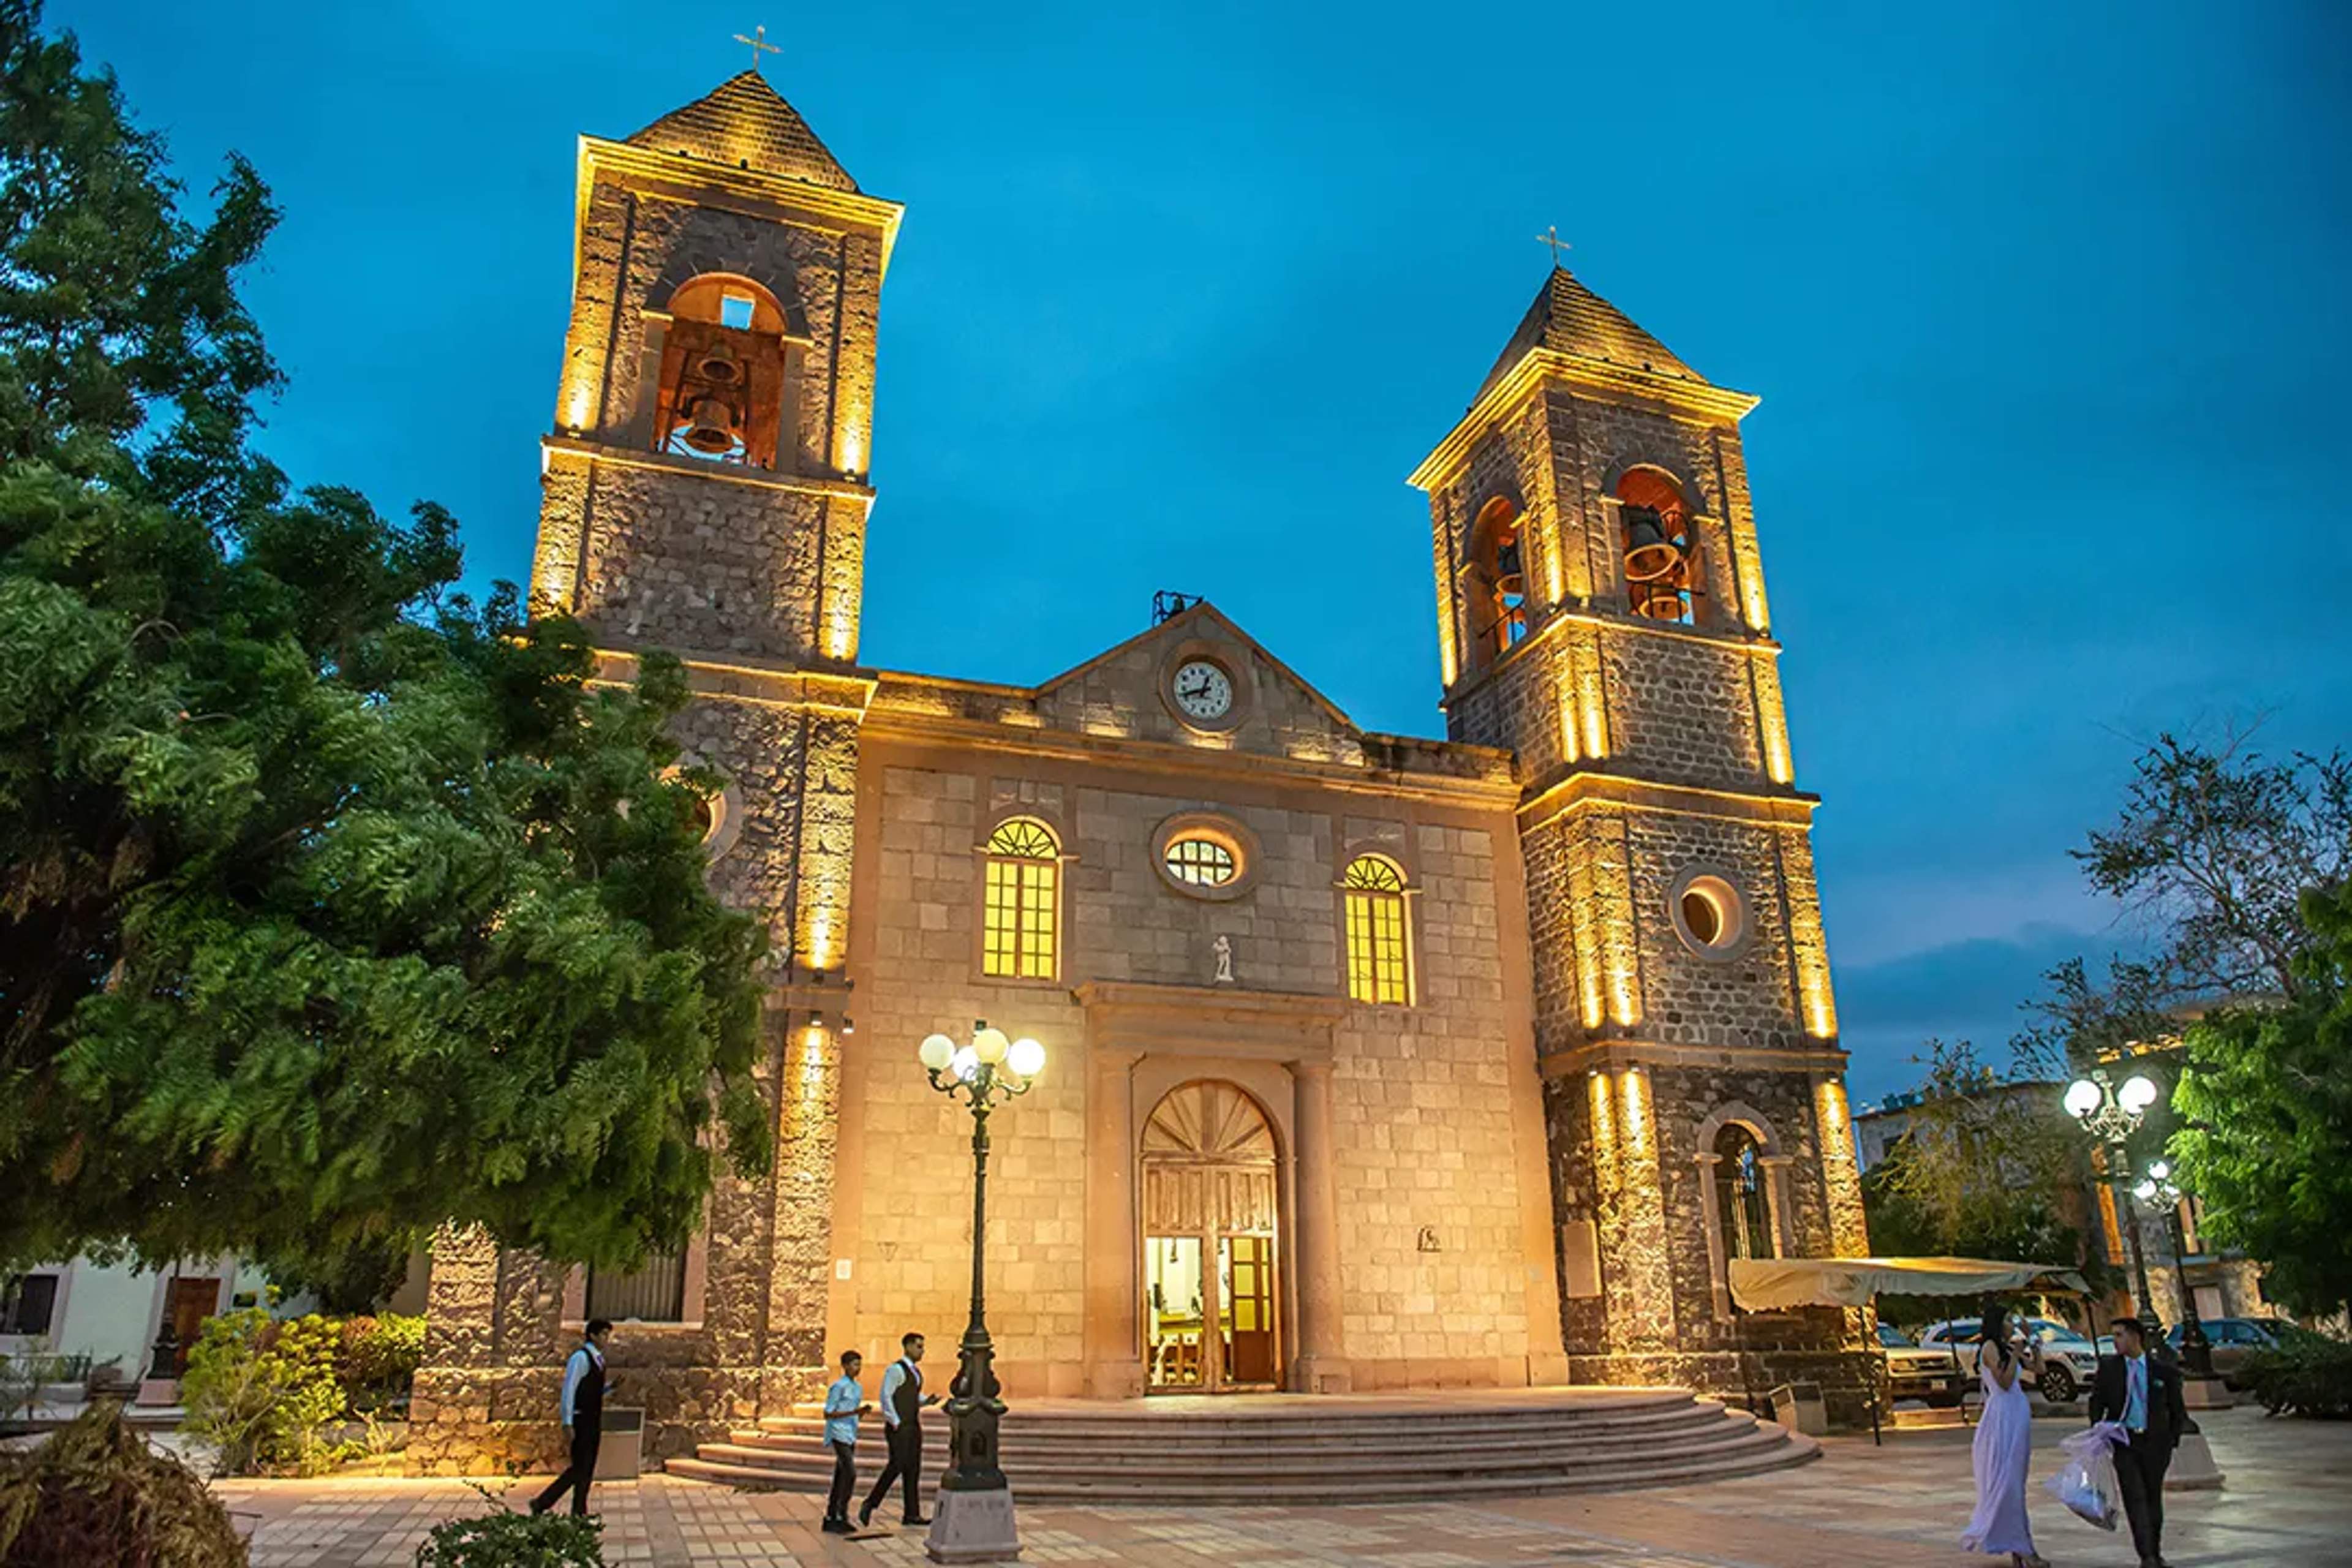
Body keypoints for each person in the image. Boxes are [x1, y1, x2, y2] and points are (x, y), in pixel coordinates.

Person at [2088, 1316, 2186, 1568]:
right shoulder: (2110, 1368)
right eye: (2114, 1337)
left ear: (2136, 1337)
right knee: (2135, 1498)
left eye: (2120, 1335)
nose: (2116, 1342)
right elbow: (2097, 1402)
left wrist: (2172, 1438)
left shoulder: (2162, 1371)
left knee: (2153, 1497)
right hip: (2125, 1442)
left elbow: (2177, 1409)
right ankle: (2147, 1556)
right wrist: (2099, 1429)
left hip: (2155, 1443)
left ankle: (2156, 1550)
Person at [1959, 1301, 2048, 1568]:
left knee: (2016, 1481)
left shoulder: (2010, 1349)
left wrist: (2032, 1343)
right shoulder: (1989, 1348)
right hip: (2001, 1417)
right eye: (2008, 1321)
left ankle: (2019, 1546)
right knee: (2007, 1482)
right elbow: (2005, 1381)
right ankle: (2023, 1548)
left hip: (2017, 1414)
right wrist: (2013, 1355)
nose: (2012, 1326)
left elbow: (2039, 1370)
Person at [530, 1318, 614, 1517]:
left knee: (587, 1467)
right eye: (603, 1334)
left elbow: (591, 1391)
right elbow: (570, 1389)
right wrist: (567, 1421)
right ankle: (543, 1501)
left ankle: (579, 1510)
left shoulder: (599, 1360)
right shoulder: (581, 1358)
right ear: (592, 1336)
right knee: (579, 1467)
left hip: (593, 1418)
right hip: (582, 1418)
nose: (606, 1339)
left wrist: (610, 1389)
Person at [859, 1330, 941, 1528]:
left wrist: (926, 1401)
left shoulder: (915, 1372)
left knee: (913, 1469)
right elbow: (886, 1396)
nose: (922, 1351)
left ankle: (912, 1514)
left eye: (923, 1346)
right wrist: (894, 1420)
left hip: (913, 1424)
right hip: (900, 1426)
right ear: (908, 1347)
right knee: (897, 1465)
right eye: (919, 1346)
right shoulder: (896, 1370)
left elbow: (911, 1396)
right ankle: (871, 1503)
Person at [821, 1350, 870, 1534]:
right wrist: (854, 1413)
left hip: (850, 1433)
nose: (858, 1368)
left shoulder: (857, 1388)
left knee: (840, 1475)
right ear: (845, 1366)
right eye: (854, 1364)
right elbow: (828, 1413)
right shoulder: (838, 1387)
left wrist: (859, 1413)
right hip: (838, 1433)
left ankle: (831, 1515)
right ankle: (842, 1513)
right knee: (850, 1473)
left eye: (859, 1364)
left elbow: (853, 1410)